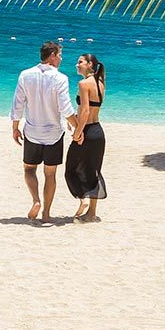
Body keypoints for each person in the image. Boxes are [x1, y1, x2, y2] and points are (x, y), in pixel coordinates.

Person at [11, 40, 77, 223]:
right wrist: (77, 126)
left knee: (29, 170)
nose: (61, 59)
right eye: (60, 55)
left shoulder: (25, 75)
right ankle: (46, 213)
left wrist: (15, 128)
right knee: (50, 174)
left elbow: (18, 103)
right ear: (53, 55)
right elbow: (66, 108)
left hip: (32, 131)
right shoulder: (60, 78)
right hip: (54, 135)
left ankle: (36, 200)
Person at [66, 53, 108, 220]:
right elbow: (91, 109)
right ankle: (92, 213)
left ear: (90, 65)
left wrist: (78, 132)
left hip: (87, 132)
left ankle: (83, 199)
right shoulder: (100, 83)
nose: (77, 65)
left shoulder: (84, 84)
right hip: (98, 132)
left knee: (70, 170)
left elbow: (85, 111)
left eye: (81, 62)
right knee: (93, 172)